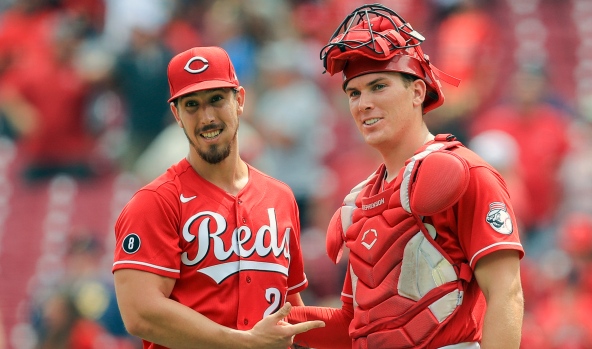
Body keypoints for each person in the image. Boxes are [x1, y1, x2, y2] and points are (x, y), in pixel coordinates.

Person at [287, 4, 525, 349]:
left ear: (417, 92)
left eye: (378, 86)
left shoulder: (462, 172)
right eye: (354, 93)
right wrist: (280, 322)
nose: (363, 103)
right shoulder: (358, 201)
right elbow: (357, 327)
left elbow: (507, 293)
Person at [112, 46, 324, 349]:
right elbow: (141, 314)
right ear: (176, 114)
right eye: (192, 105)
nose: (207, 117)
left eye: (216, 100)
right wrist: (243, 342)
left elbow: (290, 310)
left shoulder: (280, 197)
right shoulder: (155, 202)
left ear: (239, 100)